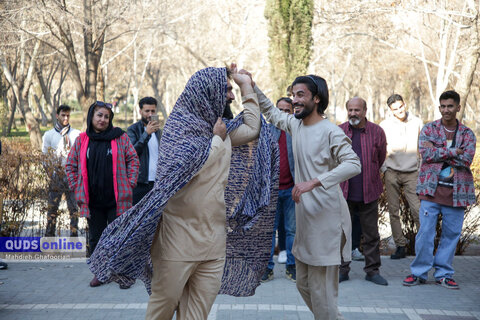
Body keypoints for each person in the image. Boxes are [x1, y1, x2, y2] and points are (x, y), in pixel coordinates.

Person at [87, 66, 279, 320]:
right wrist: (216, 141)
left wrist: (246, 86)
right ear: (208, 92)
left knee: (197, 315)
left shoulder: (222, 130)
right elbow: (186, 170)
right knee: (162, 310)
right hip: (176, 243)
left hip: (213, 244)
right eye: (228, 91)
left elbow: (254, 128)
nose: (231, 97)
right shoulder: (180, 130)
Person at [252, 72, 361, 320]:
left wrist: (314, 182)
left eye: (301, 95)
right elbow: (271, 112)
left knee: (323, 296)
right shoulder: (296, 125)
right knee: (303, 285)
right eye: (293, 95)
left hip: (327, 221)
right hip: (305, 223)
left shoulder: (331, 131)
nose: (295, 100)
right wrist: (250, 85)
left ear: (317, 99)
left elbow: (354, 164)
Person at [403, 90, 476, 290]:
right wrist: (453, 151)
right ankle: (418, 273)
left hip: (457, 194)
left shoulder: (467, 134)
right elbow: (426, 154)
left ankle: (444, 274)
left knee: (451, 235)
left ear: (458, 108)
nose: (446, 110)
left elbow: (466, 159)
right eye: (443, 106)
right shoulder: (429, 129)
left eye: (450, 106)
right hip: (430, 192)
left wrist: (439, 152)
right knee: (425, 234)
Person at [65, 101, 139, 288]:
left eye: (106, 116)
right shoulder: (82, 140)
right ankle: (101, 273)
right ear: (92, 116)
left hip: (117, 200)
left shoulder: (119, 137)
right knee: (96, 238)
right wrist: (76, 186)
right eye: (99, 115)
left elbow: (133, 160)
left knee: (120, 238)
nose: (103, 119)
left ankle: (124, 275)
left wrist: (129, 184)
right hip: (93, 201)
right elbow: (70, 165)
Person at [339, 97, 388, 286]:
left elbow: (381, 157)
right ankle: (342, 270)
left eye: (357, 110)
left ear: (365, 110)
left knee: (371, 234)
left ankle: (372, 271)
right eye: (350, 110)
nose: (353, 113)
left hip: (369, 191)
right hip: (344, 192)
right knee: (343, 234)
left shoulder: (377, 132)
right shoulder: (339, 131)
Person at [380, 94, 423, 259]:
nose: (399, 111)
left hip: (412, 172)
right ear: (391, 110)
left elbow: (423, 145)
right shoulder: (385, 125)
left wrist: (420, 167)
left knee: (417, 210)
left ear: (405, 104)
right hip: (392, 172)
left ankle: (423, 245)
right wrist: (384, 168)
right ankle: (400, 246)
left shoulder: (417, 122)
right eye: (395, 109)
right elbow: (380, 148)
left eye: (401, 107)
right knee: (393, 211)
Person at [261, 97, 296, 283]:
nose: (282, 113)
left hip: (291, 189)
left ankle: (292, 267)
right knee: (269, 232)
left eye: (287, 110)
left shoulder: (296, 130)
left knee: (292, 231)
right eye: (279, 109)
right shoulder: (266, 131)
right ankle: (267, 268)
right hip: (272, 190)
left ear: (292, 112)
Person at [42, 105, 81, 237]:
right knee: (52, 208)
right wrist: (51, 173)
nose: (65, 118)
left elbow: (80, 156)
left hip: (72, 176)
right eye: (63, 115)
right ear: (57, 116)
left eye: (68, 115)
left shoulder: (77, 134)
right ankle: (49, 237)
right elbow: (45, 157)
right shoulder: (49, 135)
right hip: (56, 175)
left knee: (74, 209)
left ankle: (74, 237)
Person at [127, 97, 162, 205]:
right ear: (140, 111)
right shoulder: (133, 130)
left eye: (153, 111)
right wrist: (146, 134)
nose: (150, 114)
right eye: (147, 111)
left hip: (157, 183)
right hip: (140, 183)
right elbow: (132, 153)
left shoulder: (159, 132)